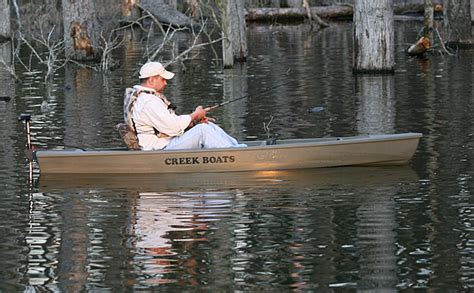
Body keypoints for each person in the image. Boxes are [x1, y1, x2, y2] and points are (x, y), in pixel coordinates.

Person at [124, 61, 246, 151]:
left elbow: (167, 125)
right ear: (151, 80)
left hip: (165, 143)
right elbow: (172, 127)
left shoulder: (145, 97)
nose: (166, 83)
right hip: (158, 150)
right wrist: (194, 115)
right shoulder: (148, 101)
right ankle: (237, 155)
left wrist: (194, 122)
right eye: (163, 79)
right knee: (203, 131)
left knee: (206, 125)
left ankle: (237, 148)